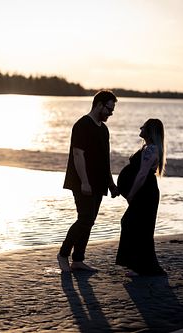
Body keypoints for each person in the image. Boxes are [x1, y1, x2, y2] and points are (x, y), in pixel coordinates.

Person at [57, 90, 120, 272]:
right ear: (99, 105)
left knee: (90, 220)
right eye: (109, 109)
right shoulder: (82, 125)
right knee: (84, 219)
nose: (110, 113)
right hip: (81, 181)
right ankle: (63, 254)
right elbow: (78, 154)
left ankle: (78, 260)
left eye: (112, 110)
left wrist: (111, 184)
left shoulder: (104, 129)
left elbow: (104, 160)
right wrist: (84, 182)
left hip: (99, 183)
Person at [116, 118, 167, 277]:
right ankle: (140, 266)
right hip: (146, 190)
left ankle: (141, 267)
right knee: (138, 226)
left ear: (150, 131)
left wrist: (131, 193)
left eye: (143, 126)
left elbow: (142, 173)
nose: (140, 127)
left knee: (135, 225)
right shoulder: (149, 148)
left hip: (145, 191)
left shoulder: (151, 150)